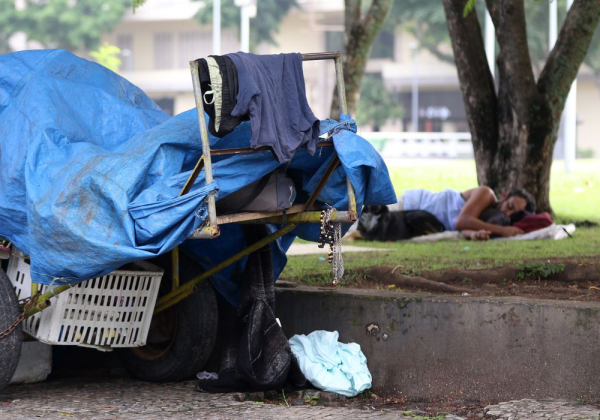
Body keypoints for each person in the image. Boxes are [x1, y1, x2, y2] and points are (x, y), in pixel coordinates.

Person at [398, 186, 536, 241]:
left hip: (417, 220)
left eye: (513, 213)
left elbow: (463, 229)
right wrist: (502, 230)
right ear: (505, 195)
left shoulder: (490, 220)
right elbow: (461, 221)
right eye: (509, 205)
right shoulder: (487, 194)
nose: (507, 212)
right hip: (413, 203)